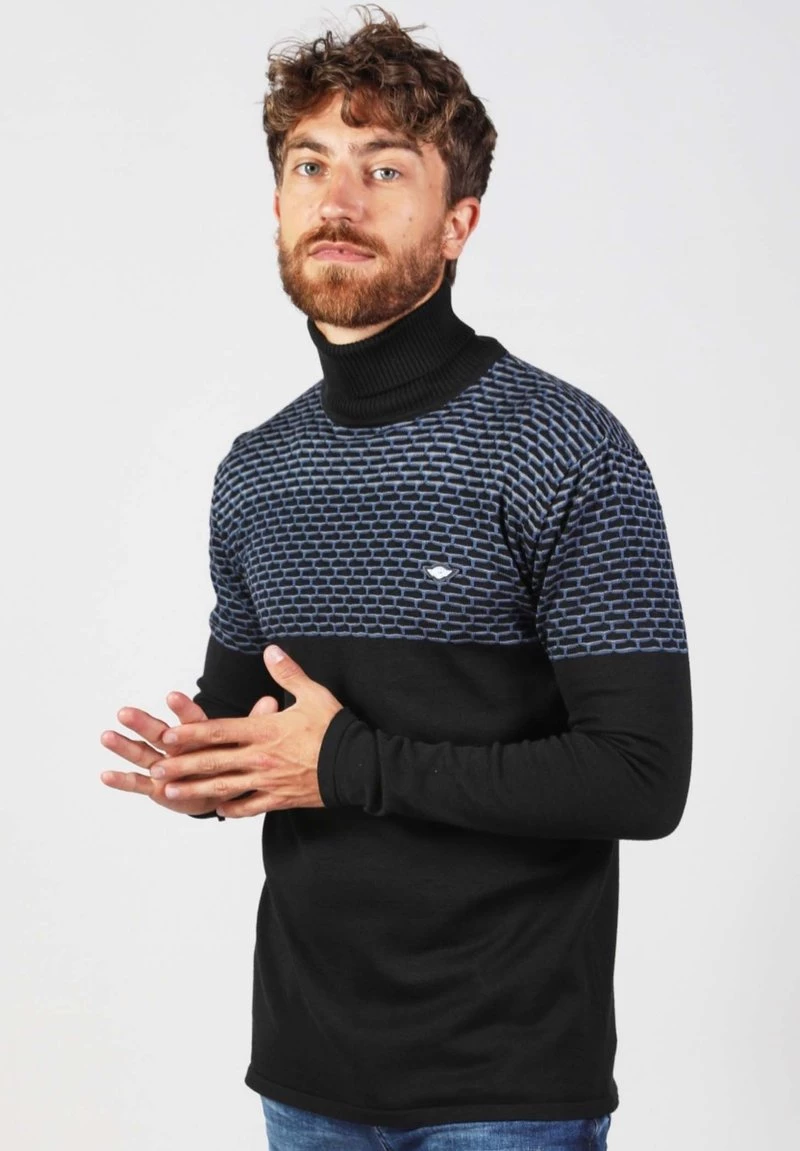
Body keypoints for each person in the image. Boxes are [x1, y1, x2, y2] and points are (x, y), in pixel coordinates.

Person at [100, 6, 692, 1149]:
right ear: (277, 203)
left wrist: (346, 764)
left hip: (505, 1086)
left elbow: (640, 776)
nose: (339, 199)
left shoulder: (564, 448)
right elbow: (262, 730)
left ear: (458, 220)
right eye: (309, 164)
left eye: (383, 168)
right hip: (304, 1072)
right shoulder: (256, 471)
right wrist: (202, 767)